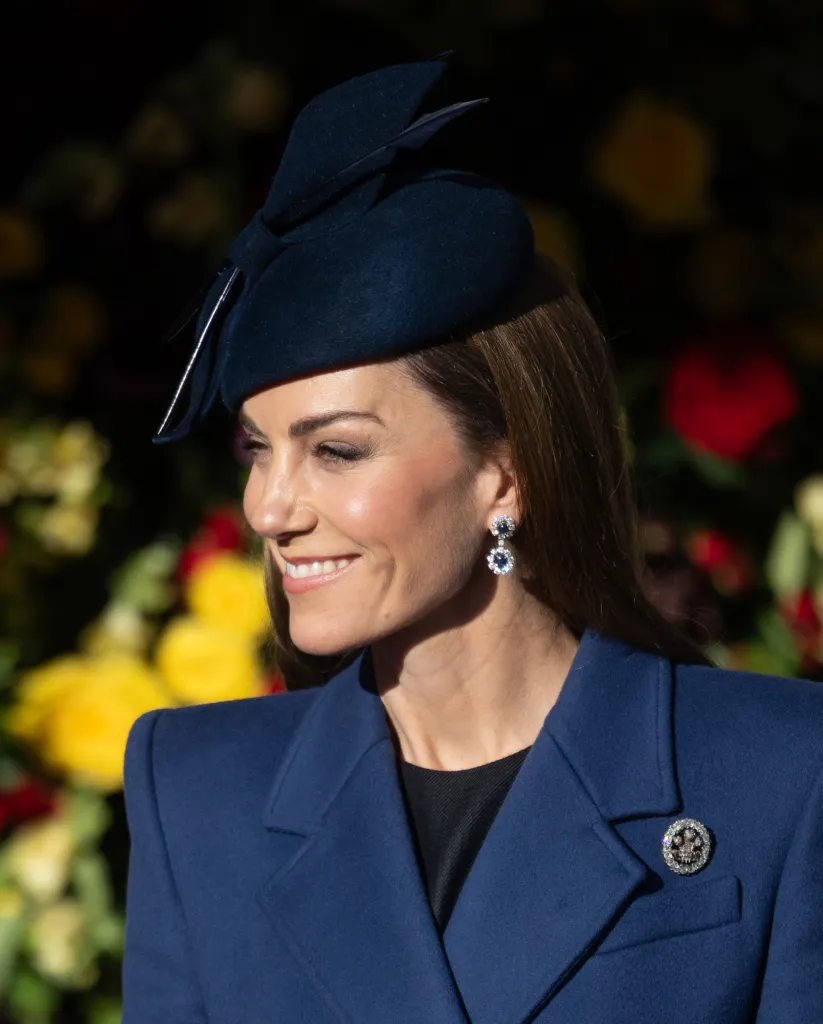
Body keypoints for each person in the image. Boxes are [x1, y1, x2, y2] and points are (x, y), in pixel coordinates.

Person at [122, 56, 823, 1024]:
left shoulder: (779, 769)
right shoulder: (197, 786)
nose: (269, 507)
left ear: (505, 470)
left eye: (335, 450)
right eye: (257, 450)